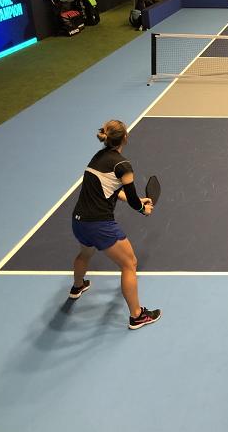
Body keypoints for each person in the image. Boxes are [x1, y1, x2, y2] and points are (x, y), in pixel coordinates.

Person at [69, 120, 161, 330]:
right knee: (130, 264)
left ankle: (77, 286)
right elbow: (132, 200)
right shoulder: (123, 166)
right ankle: (137, 316)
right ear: (125, 138)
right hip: (100, 225)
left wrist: (137, 200)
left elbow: (110, 190)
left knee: (85, 254)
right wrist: (142, 209)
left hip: (79, 222)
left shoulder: (97, 158)